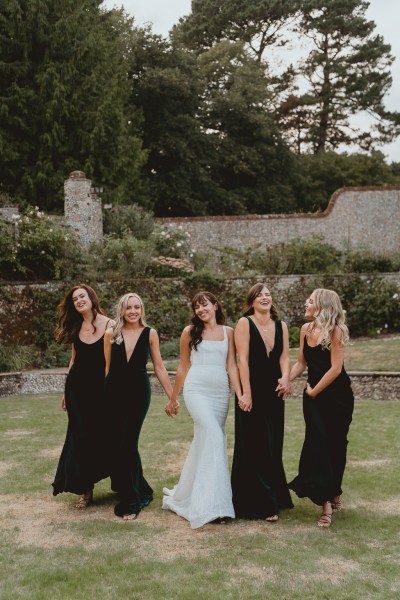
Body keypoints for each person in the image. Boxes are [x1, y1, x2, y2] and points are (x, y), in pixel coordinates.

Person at [162, 291, 243, 529]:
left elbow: (232, 366)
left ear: (215, 305)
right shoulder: (189, 332)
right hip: (196, 390)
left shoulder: (229, 332)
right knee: (215, 437)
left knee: (207, 441)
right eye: (196, 306)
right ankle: (214, 506)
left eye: (204, 304)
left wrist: (240, 394)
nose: (200, 309)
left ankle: (192, 493)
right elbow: (183, 367)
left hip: (220, 394)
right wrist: (173, 398)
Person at [288, 288, 354, 527]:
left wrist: (314, 390)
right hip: (313, 397)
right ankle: (326, 502)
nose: (306, 303)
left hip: (336, 397)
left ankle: (334, 490)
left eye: (311, 300)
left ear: (322, 306)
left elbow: (336, 369)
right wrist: (286, 380)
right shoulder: (305, 330)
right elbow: (301, 362)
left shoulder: (336, 331)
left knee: (336, 444)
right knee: (318, 444)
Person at [104, 293, 173, 520]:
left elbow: (160, 367)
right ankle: (139, 487)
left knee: (128, 443)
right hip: (113, 394)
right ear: (121, 310)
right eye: (128, 308)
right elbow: (106, 369)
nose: (133, 311)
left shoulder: (150, 333)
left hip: (137, 394)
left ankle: (132, 500)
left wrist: (172, 397)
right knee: (117, 444)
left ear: (142, 309)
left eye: (137, 307)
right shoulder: (111, 334)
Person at [231, 282, 294, 521]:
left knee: (272, 443)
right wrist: (246, 394)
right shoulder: (244, 323)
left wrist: (286, 379)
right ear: (252, 301)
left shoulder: (282, 326)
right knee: (255, 444)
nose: (265, 298)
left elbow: (285, 356)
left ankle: (275, 494)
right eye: (260, 295)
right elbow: (242, 360)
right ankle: (262, 502)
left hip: (274, 392)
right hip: (253, 390)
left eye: (268, 294)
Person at [52, 285, 114, 508]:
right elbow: (73, 360)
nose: (79, 300)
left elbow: (111, 363)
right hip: (77, 389)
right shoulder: (76, 326)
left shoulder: (110, 324)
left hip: (100, 390)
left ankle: (123, 482)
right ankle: (86, 491)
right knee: (79, 438)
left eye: (82, 296)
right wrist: (65, 392)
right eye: (75, 299)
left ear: (91, 298)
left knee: (105, 435)